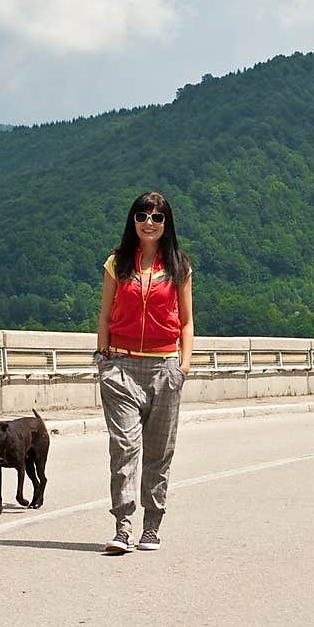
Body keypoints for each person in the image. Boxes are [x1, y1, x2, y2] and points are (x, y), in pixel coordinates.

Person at [93, 190, 194, 553]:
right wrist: (104, 360)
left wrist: (182, 366)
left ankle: (152, 526)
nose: (148, 223)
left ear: (166, 224)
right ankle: (123, 526)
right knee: (124, 448)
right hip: (121, 367)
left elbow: (186, 322)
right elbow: (104, 316)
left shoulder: (179, 265)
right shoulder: (117, 263)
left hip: (165, 367)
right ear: (132, 220)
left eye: (157, 217)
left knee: (158, 452)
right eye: (142, 215)